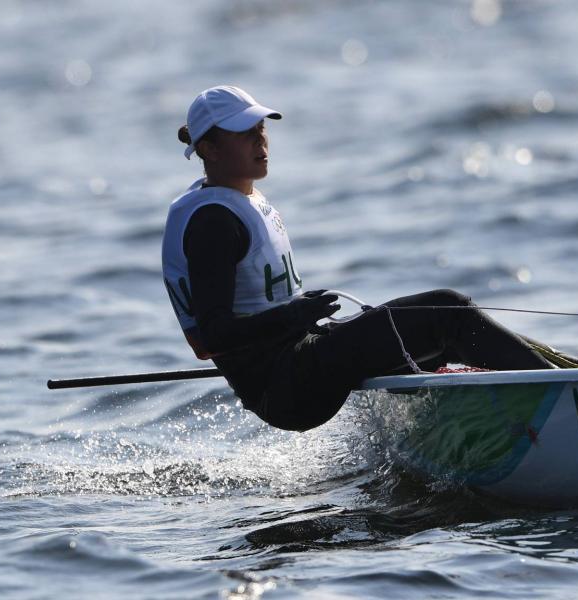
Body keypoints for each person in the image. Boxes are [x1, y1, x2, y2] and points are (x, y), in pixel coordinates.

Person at [162, 85, 553, 432]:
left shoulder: (235, 200)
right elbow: (213, 335)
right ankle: (559, 391)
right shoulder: (213, 223)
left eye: (260, 128)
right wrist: (292, 316)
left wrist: (296, 316)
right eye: (244, 133)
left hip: (295, 362)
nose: (259, 140)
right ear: (209, 149)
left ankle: (523, 397)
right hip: (284, 384)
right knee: (449, 313)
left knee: (439, 339)